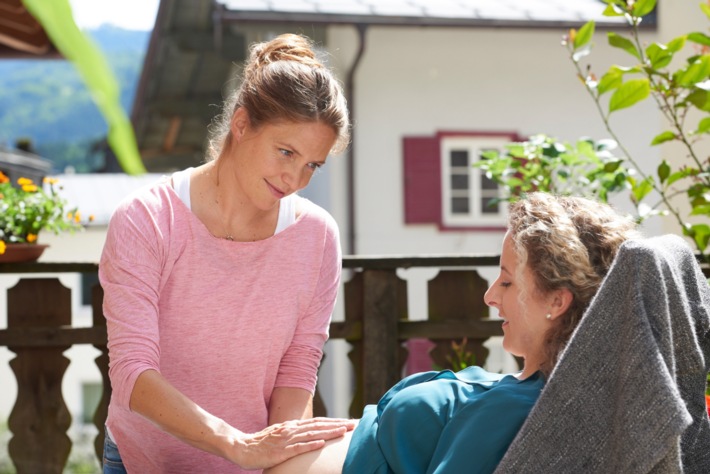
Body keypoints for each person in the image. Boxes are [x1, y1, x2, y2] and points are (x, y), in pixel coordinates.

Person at [99, 33, 356, 473]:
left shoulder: (317, 236)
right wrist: (238, 444)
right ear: (241, 125)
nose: (295, 177)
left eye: (312, 164)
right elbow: (132, 375)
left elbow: (296, 373)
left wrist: (278, 460)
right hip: (145, 462)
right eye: (285, 151)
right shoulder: (148, 219)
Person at [265, 192, 640, 474]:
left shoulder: (520, 411)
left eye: (507, 283)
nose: (490, 296)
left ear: (557, 302)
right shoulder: (532, 394)